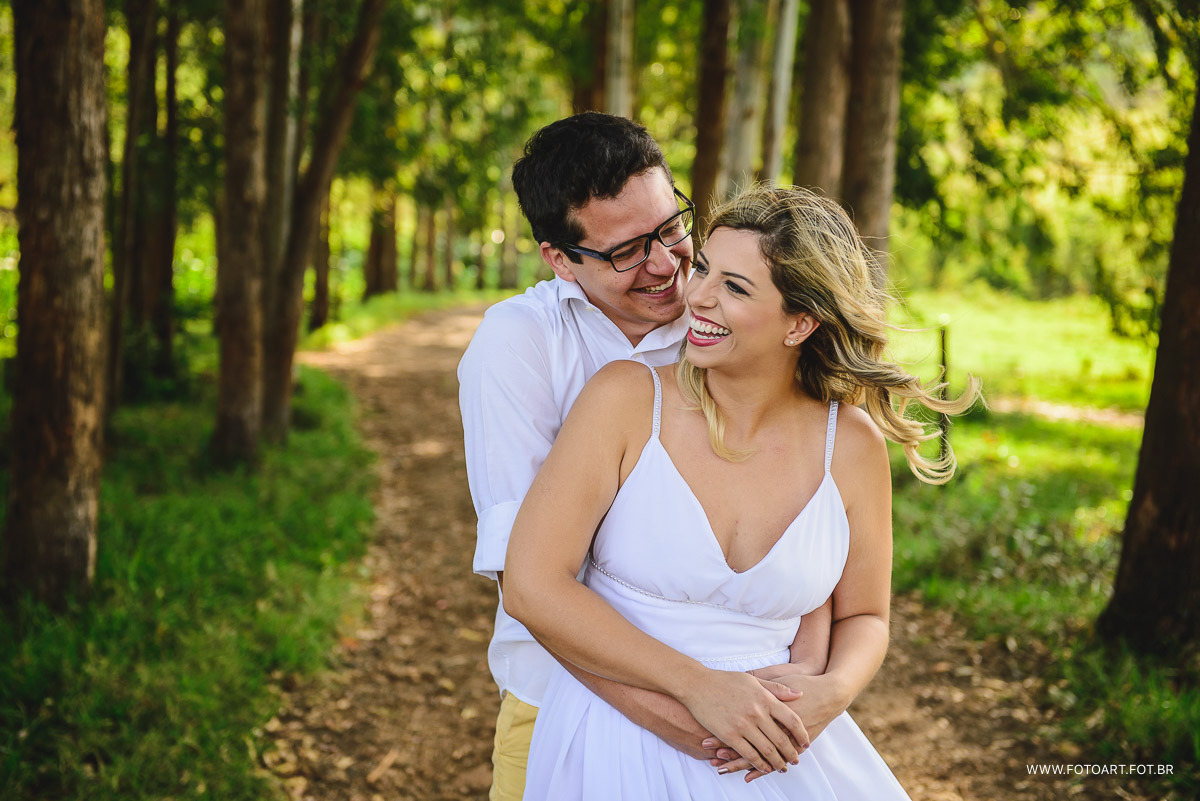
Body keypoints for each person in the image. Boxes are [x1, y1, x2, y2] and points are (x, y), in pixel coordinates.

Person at [503, 185, 982, 799]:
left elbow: (866, 615)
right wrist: (698, 686)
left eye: (734, 286)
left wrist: (832, 692)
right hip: (615, 742)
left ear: (800, 323)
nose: (696, 295)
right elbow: (531, 584)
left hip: (779, 749)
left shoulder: (852, 445)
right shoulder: (624, 400)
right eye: (703, 267)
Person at [458, 115, 833, 801]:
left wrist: (804, 682)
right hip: (562, 707)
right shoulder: (519, 344)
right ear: (560, 259)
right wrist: (690, 711)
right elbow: (535, 587)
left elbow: (811, 503)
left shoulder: (732, 315)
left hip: (749, 721)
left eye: (670, 227)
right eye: (627, 251)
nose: (666, 264)